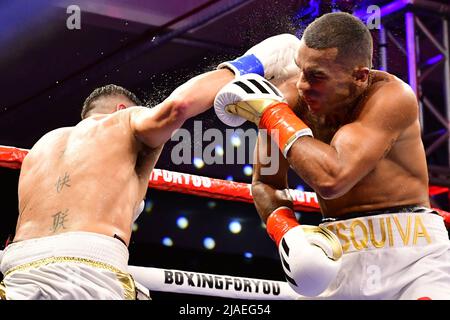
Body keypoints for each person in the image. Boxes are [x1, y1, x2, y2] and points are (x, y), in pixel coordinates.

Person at [213, 12, 450, 299]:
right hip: (335, 255)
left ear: (360, 77)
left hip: (413, 258)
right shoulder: (288, 101)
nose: (301, 85)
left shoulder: (391, 97)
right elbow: (267, 182)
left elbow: (333, 178)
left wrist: (272, 115)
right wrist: (287, 232)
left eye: (317, 76)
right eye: (301, 70)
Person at [0, 69, 235, 299]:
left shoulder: (42, 145)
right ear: (121, 108)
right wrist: (244, 67)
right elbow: (179, 107)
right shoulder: (124, 120)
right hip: (88, 269)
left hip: (18, 272)